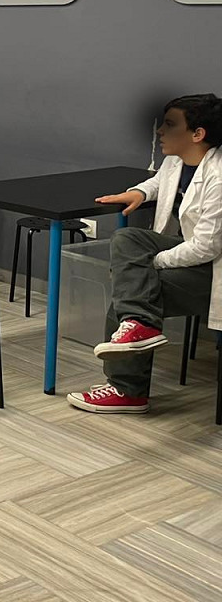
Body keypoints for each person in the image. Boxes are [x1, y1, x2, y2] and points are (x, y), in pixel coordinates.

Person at [68, 94, 222, 414]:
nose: (160, 131)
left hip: (214, 269)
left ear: (198, 134)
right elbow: (159, 181)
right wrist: (139, 192)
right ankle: (139, 328)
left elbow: (206, 247)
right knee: (128, 239)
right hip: (191, 254)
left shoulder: (219, 176)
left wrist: (152, 264)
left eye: (170, 125)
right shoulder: (178, 159)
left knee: (130, 293)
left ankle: (128, 391)